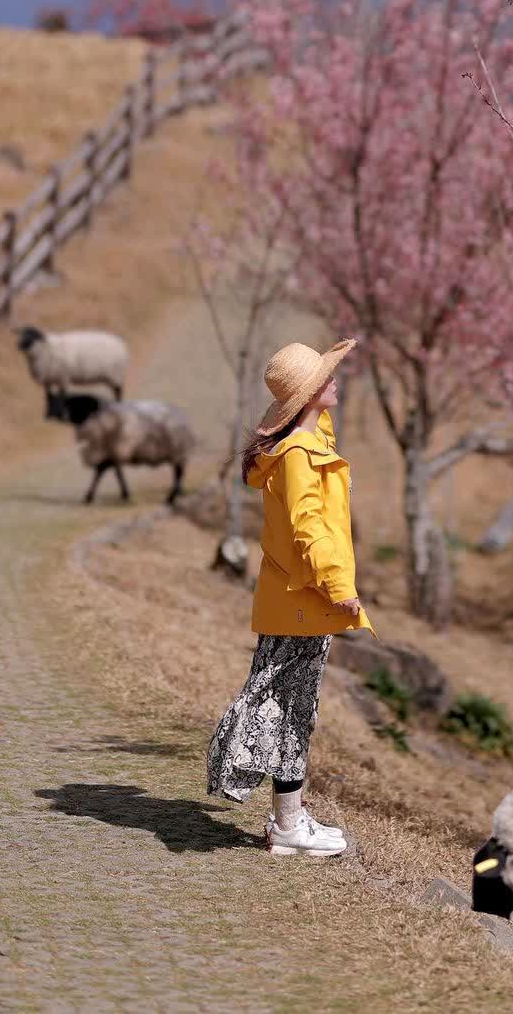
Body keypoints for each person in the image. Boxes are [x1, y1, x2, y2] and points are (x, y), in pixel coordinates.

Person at [207, 337, 374, 855]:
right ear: (308, 397)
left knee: (294, 707)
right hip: (303, 600)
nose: (337, 381)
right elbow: (309, 528)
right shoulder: (299, 455)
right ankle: (284, 824)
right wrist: (341, 588)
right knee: (285, 707)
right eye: (327, 378)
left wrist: (298, 415)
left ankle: (289, 820)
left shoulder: (303, 443)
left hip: (298, 600)